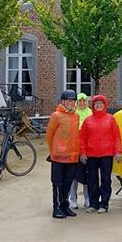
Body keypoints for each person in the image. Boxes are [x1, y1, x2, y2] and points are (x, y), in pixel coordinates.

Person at [80, 95, 122, 214]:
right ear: (93, 106)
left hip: (106, 154)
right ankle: (93, 203)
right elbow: (82, 138)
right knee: (92, 179)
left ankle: (104, 203)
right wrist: (82, 152)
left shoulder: (111, 119)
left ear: (105, 105)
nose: (98, 105)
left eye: (101, 103)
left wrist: (118, 151)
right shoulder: (88, 120)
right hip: (91, 154)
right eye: (96, 104)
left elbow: (116, 137)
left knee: (105, 179)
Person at [46, 89, 80, 219]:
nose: (71, 103)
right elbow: (49, 135)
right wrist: (53, 151)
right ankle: (57, 208)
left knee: (68, 182)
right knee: (57, 183)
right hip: (59, 156)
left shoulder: (76, 116)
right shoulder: (56, 116)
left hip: (72, 156)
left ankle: (65, 206)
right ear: (63, 101)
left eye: (73, 100)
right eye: (69, 100)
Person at [69, 93, 92, 210]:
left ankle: (87, 198)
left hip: (87, 148)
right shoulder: (73, 113)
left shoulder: (90, 113)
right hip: (74, 148)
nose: (82, 103)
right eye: (80, 101)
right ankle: (73, 198)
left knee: (86, 174)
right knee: (73, 175)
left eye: (84, 101)